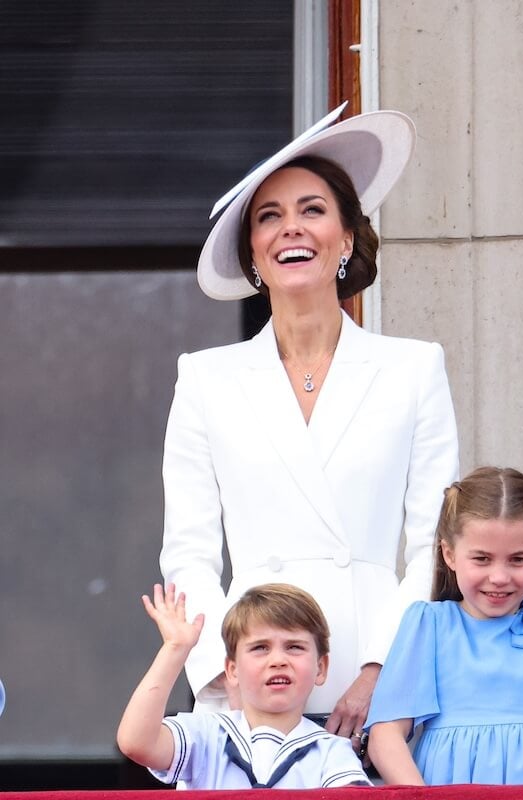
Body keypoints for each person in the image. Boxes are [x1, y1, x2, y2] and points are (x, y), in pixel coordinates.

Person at [159, 104, 459, 744]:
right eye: (270, 216)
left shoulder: (413, 368)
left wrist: (384, 669)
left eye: (312, 210)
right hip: (245, 686)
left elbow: (434, 545)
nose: (291, 228)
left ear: (347, 238)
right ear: (253, 256)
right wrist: (223, 676)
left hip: (377, 689)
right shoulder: (205, 378)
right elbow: (188, 554)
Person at [365, 466, 523, 785]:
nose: (499, 577)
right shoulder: (428, 626)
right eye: (482, 559)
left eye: (517, 559)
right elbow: (386, 735)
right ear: (450, 554)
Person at [117, 583, 369, 789]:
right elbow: (136, 743)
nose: (278, 660)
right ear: (232, 670)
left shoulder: (331, 751)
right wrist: (175, 649)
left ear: (321, 667)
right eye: (260, 648)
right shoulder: (206, 735)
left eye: (294, 647)